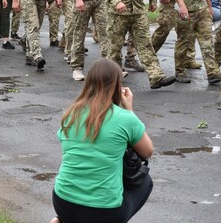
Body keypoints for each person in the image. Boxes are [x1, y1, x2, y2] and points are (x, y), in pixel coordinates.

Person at [51, 59, 153, 223]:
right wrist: (130, 110)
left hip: (63, 202)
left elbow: (64, 139)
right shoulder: (125, 118)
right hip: (104, 212)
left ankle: (62, 220)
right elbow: (147, 151)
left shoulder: (71, 114)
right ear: (117, 86)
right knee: (145, 181)